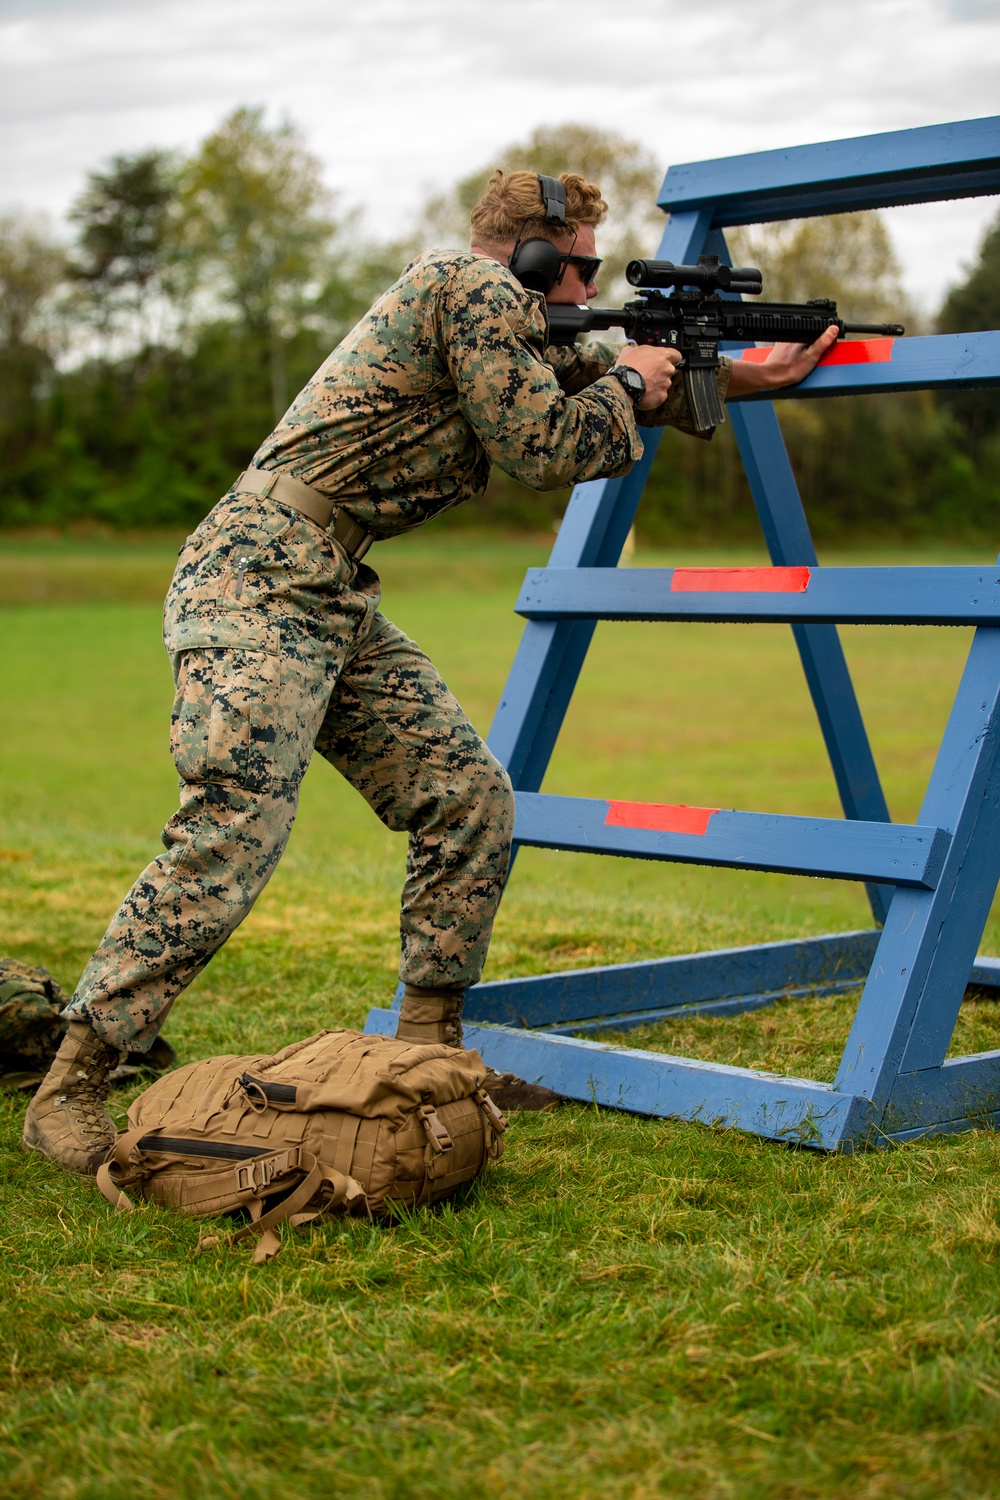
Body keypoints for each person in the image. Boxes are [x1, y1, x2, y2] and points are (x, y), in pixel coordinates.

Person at [23, 169, 838, 1174]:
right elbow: (546, 443)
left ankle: (426, 1053)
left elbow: (571, 390)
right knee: (234, 823)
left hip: (326, 586)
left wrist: (727, 377)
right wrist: (632, 382)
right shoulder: (475, 289)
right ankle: (71, 1082)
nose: (587, 291)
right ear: (540, 255)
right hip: (259, 579)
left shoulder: (498, 321)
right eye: (583, 266)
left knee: (466, 796)